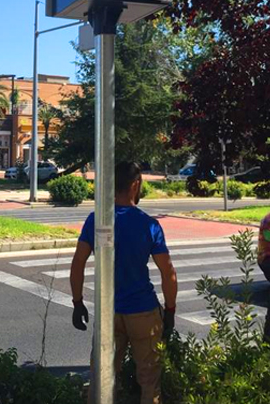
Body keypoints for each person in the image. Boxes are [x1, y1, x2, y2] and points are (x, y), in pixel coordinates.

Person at [70, 161, 178, 404]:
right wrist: (170, 310)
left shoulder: (96, 220)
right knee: (149, 381)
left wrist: (77, 302)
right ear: (135, 185)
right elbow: (168, 272)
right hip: (143, 312)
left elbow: (78, 263)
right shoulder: (149, 225)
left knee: (101, 379)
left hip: (109, 312)